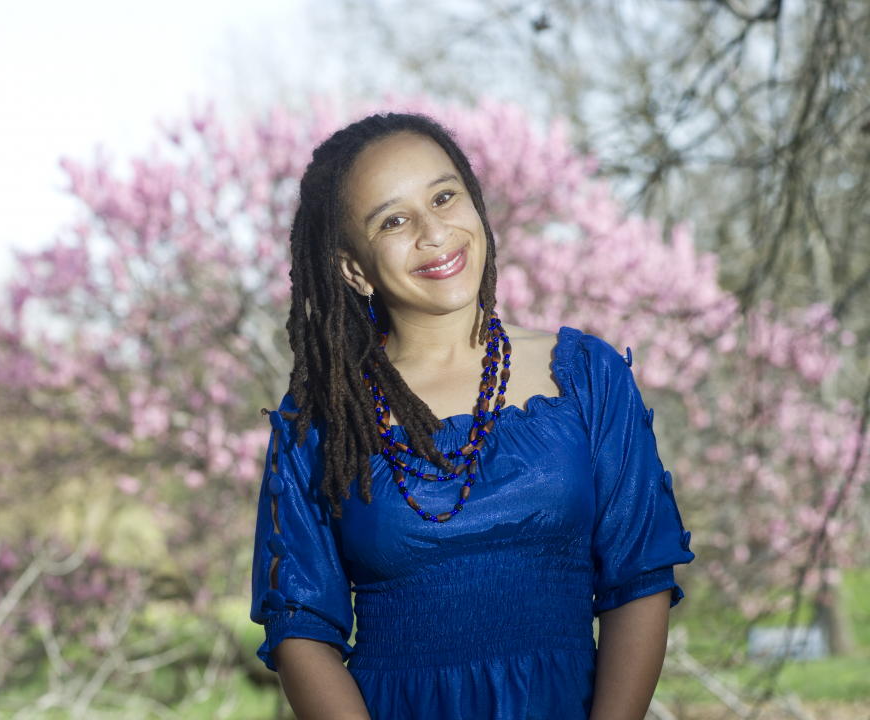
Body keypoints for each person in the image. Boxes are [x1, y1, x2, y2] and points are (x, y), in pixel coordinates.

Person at [250, 112, 695, 720]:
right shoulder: (322, 420)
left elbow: (639, 578)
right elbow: (300, 628)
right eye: (394, 220)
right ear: (353, 267)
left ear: (475, 202)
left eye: (443, 196)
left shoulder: (588, 376)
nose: (434, 232)